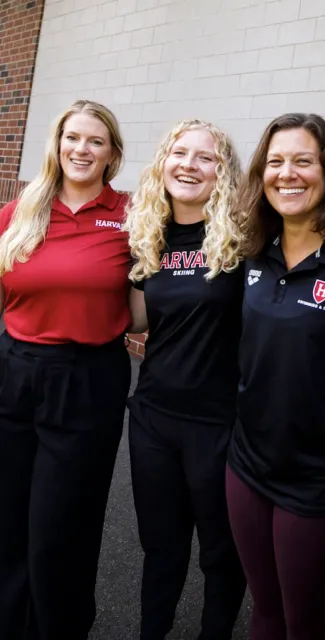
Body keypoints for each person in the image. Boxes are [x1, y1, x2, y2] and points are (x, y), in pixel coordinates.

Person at [225, 112, 325, 640]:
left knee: (306, 621)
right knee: (264, 612)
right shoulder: (252, 253)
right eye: (275, 162)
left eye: (303, 161)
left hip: (318, 481)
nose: (287, 173)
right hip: (246, 464)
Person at [0, 99, 131, 640]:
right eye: (73, 138)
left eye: (95, 141)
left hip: (87, 378)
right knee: (8, 517)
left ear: (112, 154)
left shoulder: (131, 213)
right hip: (15, 370)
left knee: (62, 523)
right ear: (57, 144)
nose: (82, 149)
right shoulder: (20, 211)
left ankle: (58, 628)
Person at [125, 119, 246, 640]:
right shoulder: (149, 236)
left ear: (223, 172)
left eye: (206, 157)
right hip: (153, 418)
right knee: (161, 546)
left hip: (219, 424)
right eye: (180, 153)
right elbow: (135, 320)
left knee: (221, 556)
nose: (190, 165)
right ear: (163, 162)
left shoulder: (244, 241)